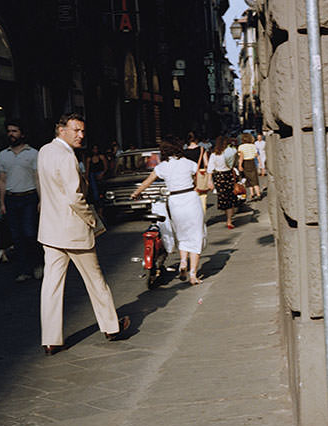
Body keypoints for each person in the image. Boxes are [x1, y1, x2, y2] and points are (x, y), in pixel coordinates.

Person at [37, 113, 129, 356]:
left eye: (82, 131)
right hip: (73, 230)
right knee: (96, 281)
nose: (81, 135)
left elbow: (42, 186)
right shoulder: (66, 157)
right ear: (61, 130)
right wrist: (93, 220)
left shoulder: (44, 151)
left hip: (50, 229)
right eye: (76, 130)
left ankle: (51, 339)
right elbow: (75, 198)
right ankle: (111, 327)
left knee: (51, 286)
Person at [131, 136, 206, 285]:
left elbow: (148, 180)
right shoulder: (189, 163)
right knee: (196, 235)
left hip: (174, 201)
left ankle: (183, 262)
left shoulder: (162, 167)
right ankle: (193, 275)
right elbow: (197, 178)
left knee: (182, 234)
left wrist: (136, 192)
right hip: (190, 198)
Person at [0, 121, 42, 282]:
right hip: (11, 198)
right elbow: (2, 180)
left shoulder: (33, 153)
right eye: (9, 131)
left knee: (30, 233)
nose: (11, 134)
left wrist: (41, 199)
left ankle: (37, 263)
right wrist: (2, 203)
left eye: (15, 131)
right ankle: (24, 270)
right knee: (17, 237)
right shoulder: (3, 155)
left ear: (22, 134)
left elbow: (38, 178)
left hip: (29, 197)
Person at [207, 136, 237, 229]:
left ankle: (227, 215)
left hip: (219, 177)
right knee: (230, 198)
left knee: (223, 197)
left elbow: (210, 168)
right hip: (229, 175)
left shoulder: (214, 155)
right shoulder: (229, 153)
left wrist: (209, 181)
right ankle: (229, 220)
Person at [237, 132, 261, 201]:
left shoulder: (241, 147)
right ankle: (258, 193)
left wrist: (240, 165)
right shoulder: (253, 146)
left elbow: (241, 156)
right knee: (254, 178)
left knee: (248, 179)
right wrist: (260, 164)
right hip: (252, 162)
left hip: (245, 163)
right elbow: (257, 155)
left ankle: (252, 193)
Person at [84, 144, 108, 209]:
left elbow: (106, 167)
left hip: (100, 174)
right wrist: (86, 179)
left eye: (96, 149)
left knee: (102, 190)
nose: (95, 150)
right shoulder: (89, 159)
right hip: (92, 175)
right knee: (95, 192)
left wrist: (102, 173)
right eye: (94, 149)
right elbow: (87, 170)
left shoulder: (101, 157)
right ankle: (97, 205)